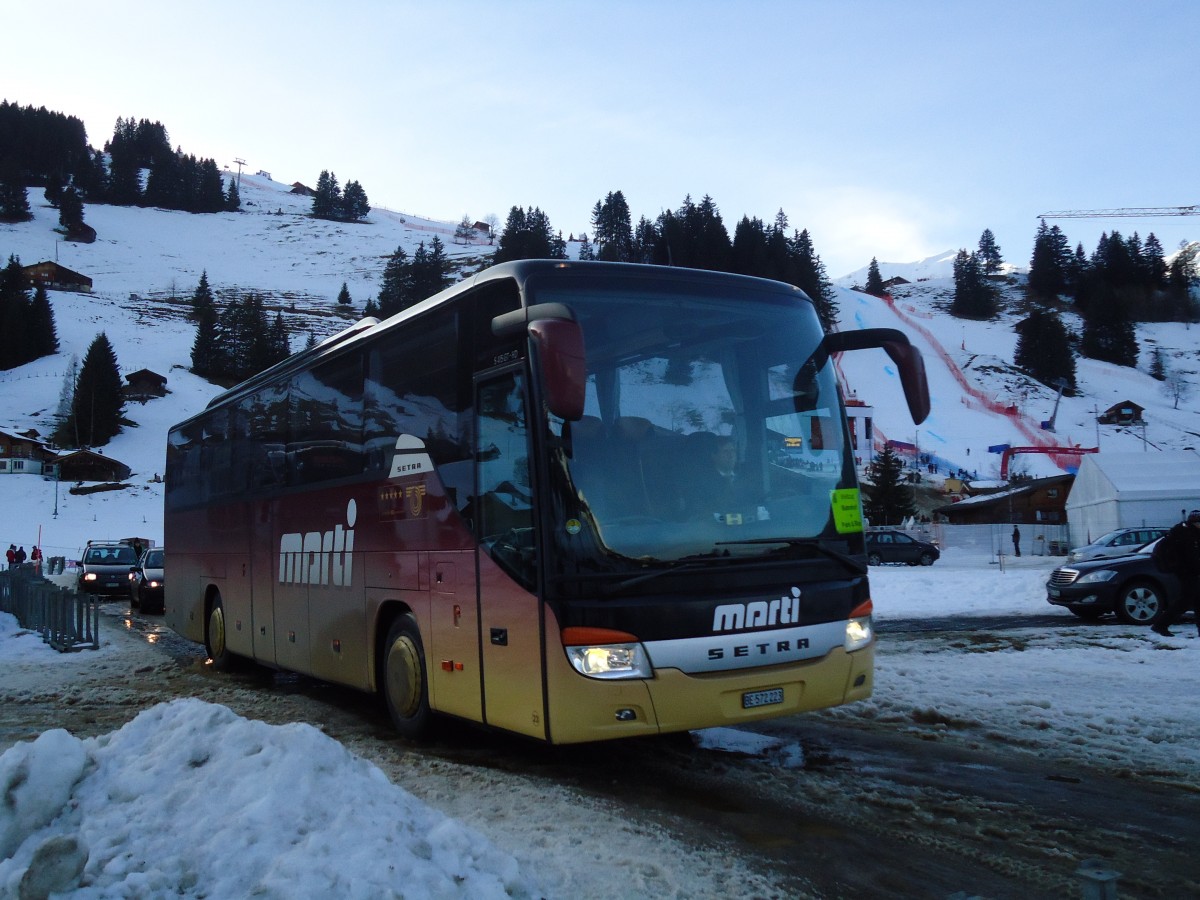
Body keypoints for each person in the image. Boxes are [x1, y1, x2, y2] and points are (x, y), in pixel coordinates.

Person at [1151, 510, 1200, 637]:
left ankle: (1161, 625)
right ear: (1195, 522)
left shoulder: (1188, 532)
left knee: (1196, 600)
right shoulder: (1188, 535)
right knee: (1185, 600)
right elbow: (1192, 558)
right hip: (1187, 572)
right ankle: (1160, 625)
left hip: (1188, 572)